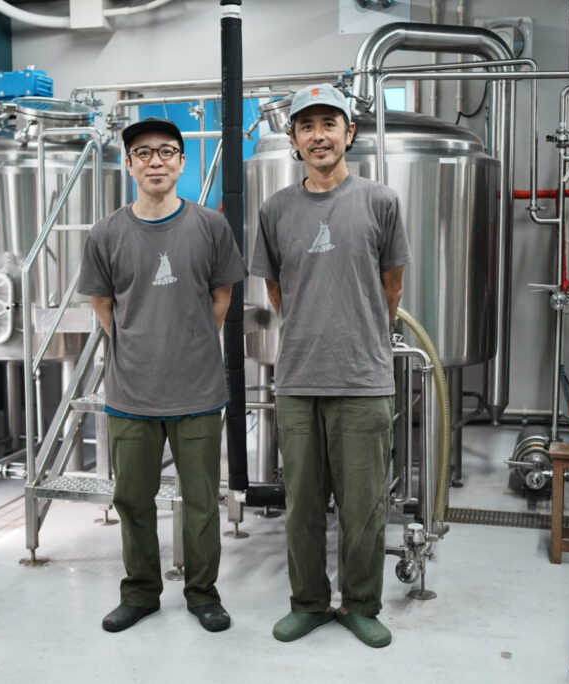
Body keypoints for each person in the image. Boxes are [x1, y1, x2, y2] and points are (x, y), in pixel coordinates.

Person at [250, 84, 411, 648]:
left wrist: (358, 334)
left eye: (328, 124)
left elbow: (392, 287)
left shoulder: (380, 201)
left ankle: (361, 605)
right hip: (298, 379)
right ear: (294, 139)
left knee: (364, 505)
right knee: (302, 505)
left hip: (363, 379)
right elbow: (275, 289)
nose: (318, 135)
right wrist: (312, 328)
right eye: (306, 126)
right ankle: (309, 603)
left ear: (349, 133)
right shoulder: (275, 210)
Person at [76, 117, 248, 633]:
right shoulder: (106, 233)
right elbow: (102, 305)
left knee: (200, 501)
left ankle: (203, 593)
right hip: (131, 393)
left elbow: (221, 297)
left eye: (166, 152)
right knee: (132, 500)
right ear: (129, 164)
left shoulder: (210, 226)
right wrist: (140, 344)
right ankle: (140, 592)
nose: (156, 161)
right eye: (144, 153)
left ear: (181, 162)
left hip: (198, 391)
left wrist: (187, 343)